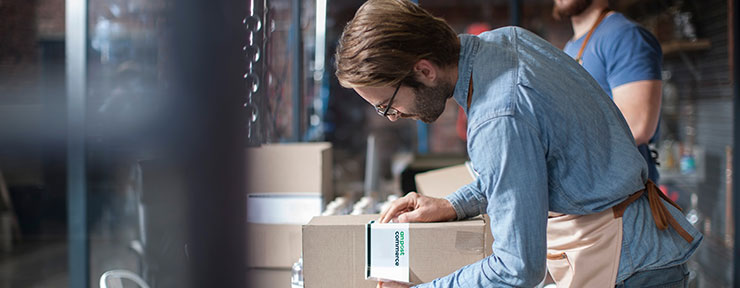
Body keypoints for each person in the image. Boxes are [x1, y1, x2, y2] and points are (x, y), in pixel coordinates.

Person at [335, 0, 702, 287]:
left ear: (424, 70)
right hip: (636, 253)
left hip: (632, 269)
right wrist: (451, 204)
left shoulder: (497, 116)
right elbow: (526, 164)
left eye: (387, 104)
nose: (393, 116)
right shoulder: (503, 41)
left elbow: (516, 268)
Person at [553, 0, 663, 182]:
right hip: (587, 192)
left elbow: (636, 126)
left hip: (622, 201)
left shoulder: (625, 36)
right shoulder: (571, 47)